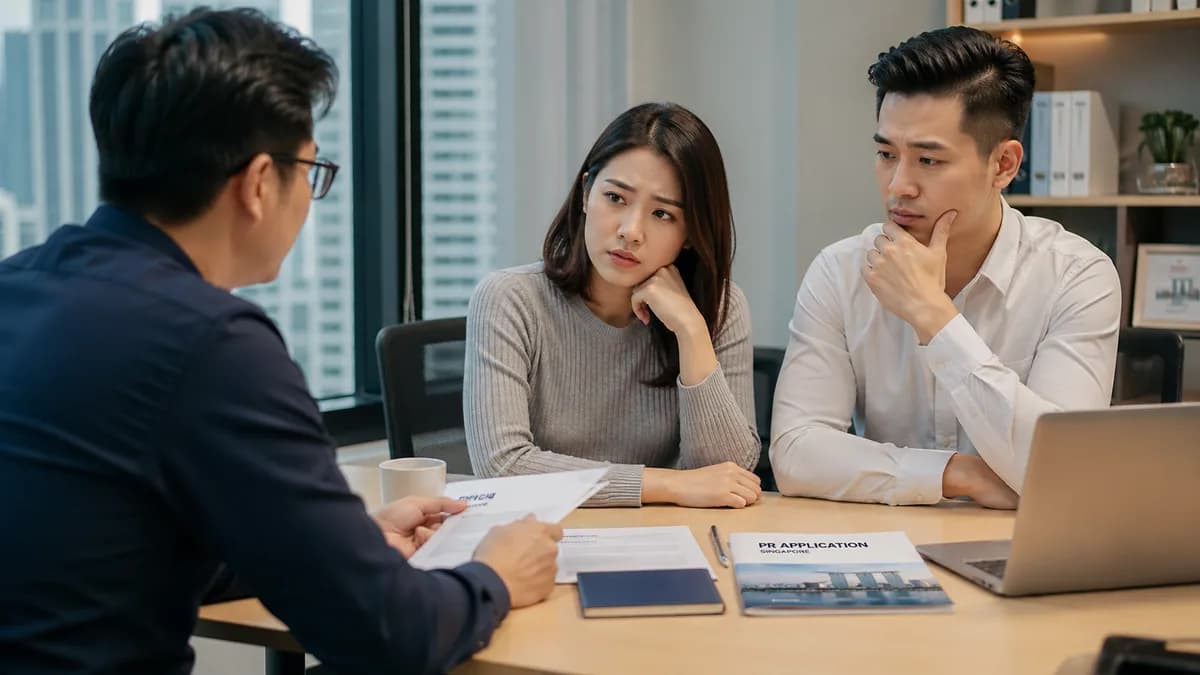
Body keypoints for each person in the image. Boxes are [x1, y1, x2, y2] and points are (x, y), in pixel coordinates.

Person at [0, 9, 561, 674]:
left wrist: (337, 545)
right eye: (311, 168)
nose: (309, 192)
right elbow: (388, 635)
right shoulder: (212, 343)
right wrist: (494, 575)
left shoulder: (20, 286)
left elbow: (96, 547)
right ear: (261, 182)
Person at [769, 26, 1121, 508]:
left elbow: (1062, 469)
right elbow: (795, 451)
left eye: (928, 161)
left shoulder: (1077, 276)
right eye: (886, 154)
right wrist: (959, 475)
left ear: (1003, 164)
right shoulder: (841, 270)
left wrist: (934, 316)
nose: (898, 186)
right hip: (886, 545)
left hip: (1018, 552)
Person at [464, 102, 763, 509]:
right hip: (538, 543)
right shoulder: (509, 300)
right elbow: (503, 468)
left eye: (662, 213)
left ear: (691, 232)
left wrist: (692, 333)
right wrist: (668, 486)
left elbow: (729, 476)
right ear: (586, 193)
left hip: (665, 543)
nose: (631, 231)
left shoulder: (718, 308)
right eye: (615, 198)